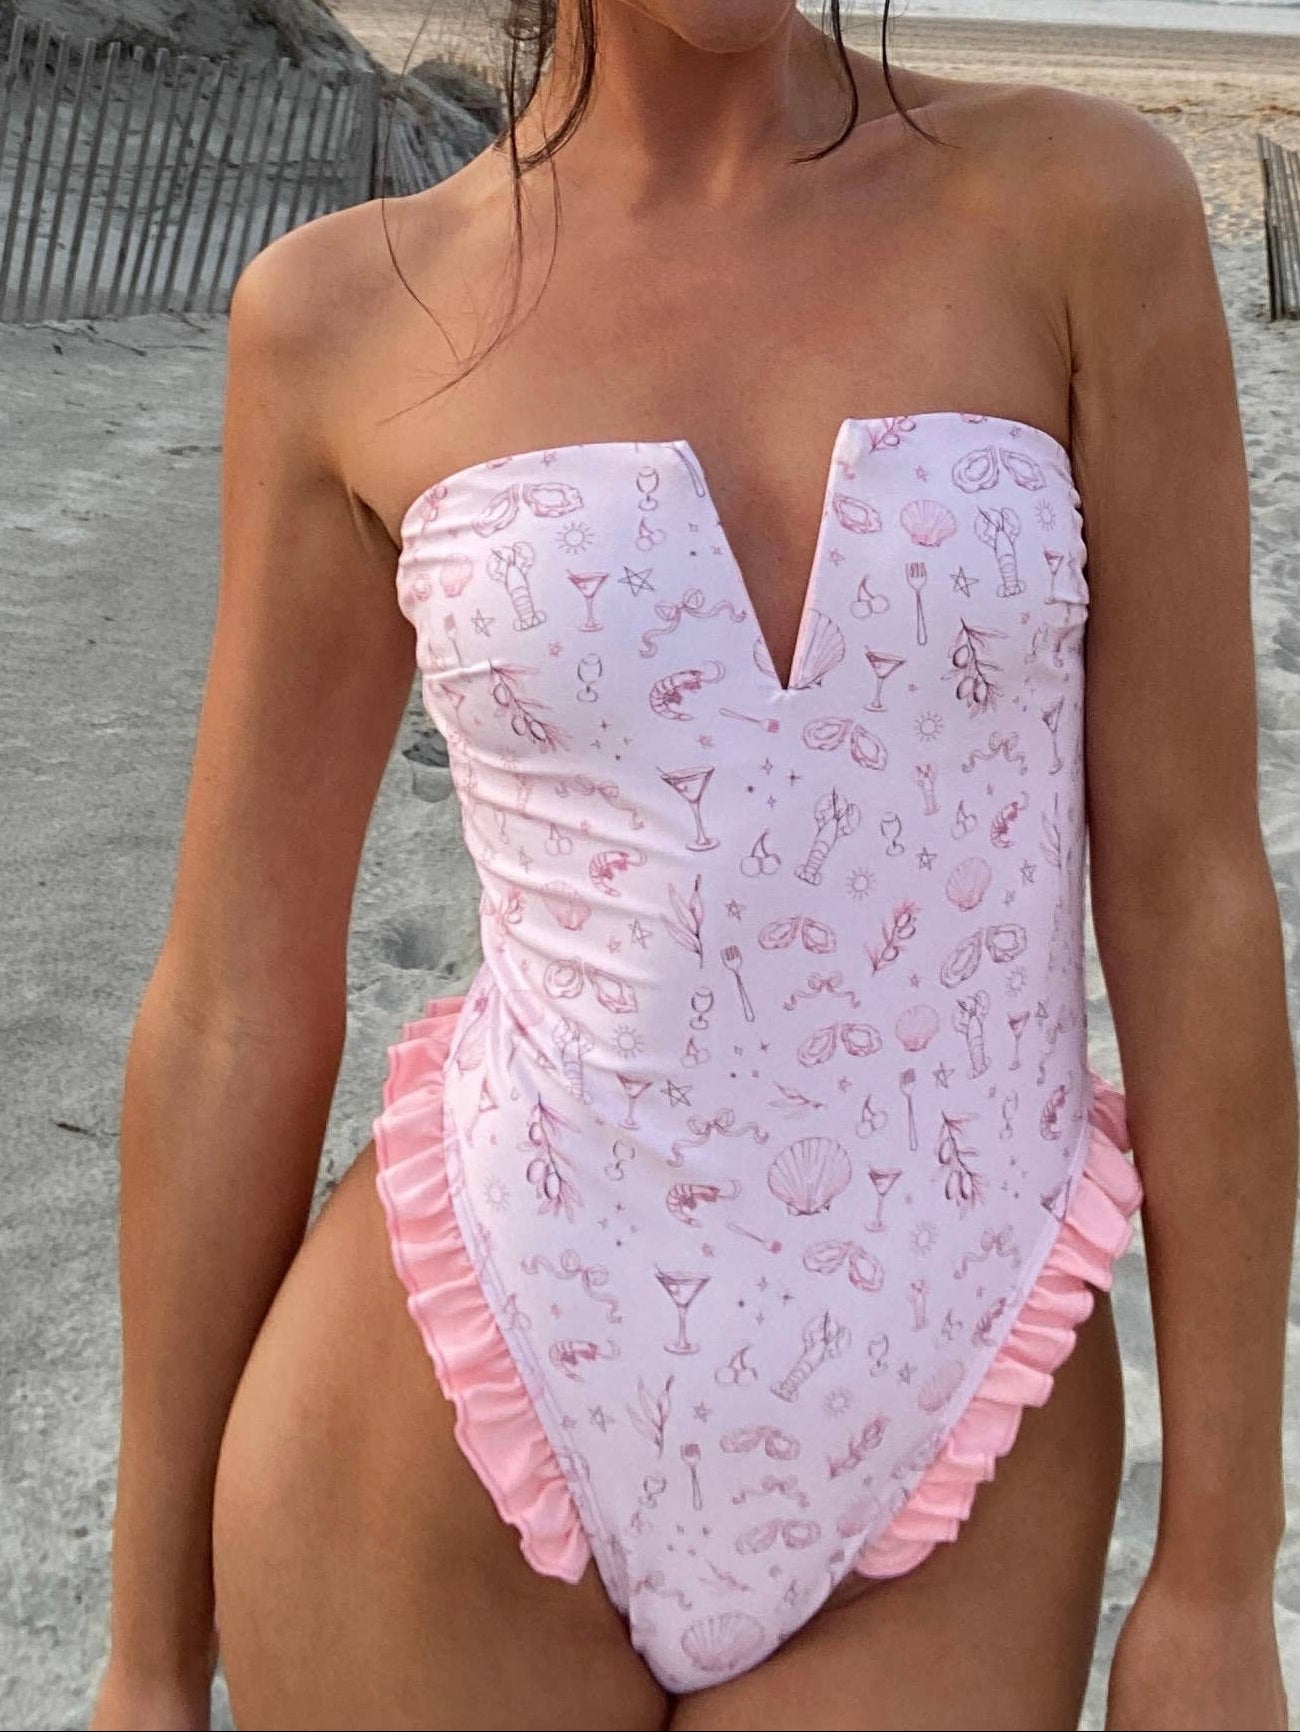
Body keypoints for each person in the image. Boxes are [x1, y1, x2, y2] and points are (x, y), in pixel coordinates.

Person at [90, 2, 1296, 1728]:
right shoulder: (344, 314)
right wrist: (147, 1660)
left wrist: (1221, 1573)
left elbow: (1195, 894)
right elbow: (232, 1004)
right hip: (443, 1430)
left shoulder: (1080, 215)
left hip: (957, 1450)